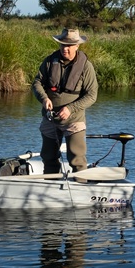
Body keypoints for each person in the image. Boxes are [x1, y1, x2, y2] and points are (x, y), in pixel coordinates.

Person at [32, 28, 98, 174]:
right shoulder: (50, 61)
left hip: (74, 120)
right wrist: (44, 98)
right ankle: (51, 186)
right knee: (49, 157)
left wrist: (70, 109)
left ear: (77, 46)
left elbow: (92, 95)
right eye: (62, 45)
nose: (65, 49)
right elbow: (37, 83)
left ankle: (80, 187)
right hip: (50, 119)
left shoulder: (86, 66)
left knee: (77, 159)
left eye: (69, 45)